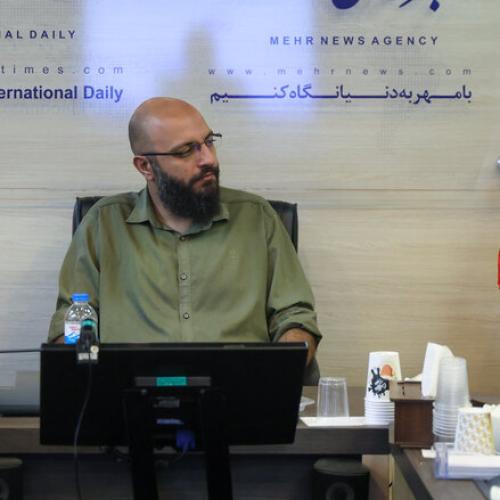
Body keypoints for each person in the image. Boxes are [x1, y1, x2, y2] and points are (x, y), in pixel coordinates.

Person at [48, 97, 321, 379]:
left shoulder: (257, 218)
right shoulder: (103, 224)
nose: (209, 159)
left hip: (240, 390)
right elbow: (71, 324)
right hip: (128, 395)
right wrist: (87, 377)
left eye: (209, 142)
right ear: (145, 166)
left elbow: (294, 316)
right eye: (186, 151)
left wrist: (280, 371)